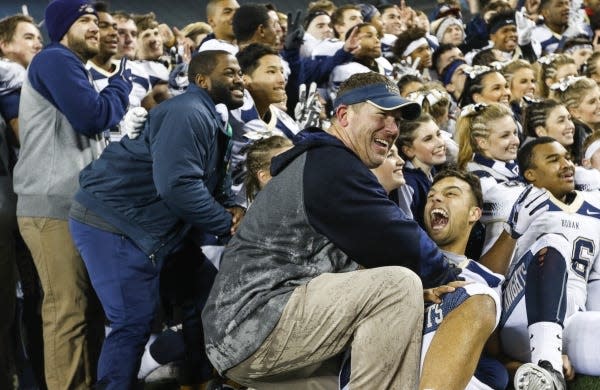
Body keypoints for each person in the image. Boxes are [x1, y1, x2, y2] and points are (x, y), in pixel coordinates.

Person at [202, 72, 462, 389]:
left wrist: (421, 292)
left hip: (243, 334)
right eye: (382, 115)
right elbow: (402, 241)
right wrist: (452, 276)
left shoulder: (321, 160)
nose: (392, 129)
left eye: (396, 121)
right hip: (253, 323)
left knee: (339, 381)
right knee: (398, 285)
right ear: (343, 115)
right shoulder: (331, 163)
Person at [67, 50, 245, 389]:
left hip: (150, 227)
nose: (239, 79)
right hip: (115, 222)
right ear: (201, 80)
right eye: (230, 72)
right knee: (132, 321)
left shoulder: (212, 116)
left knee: (198, 293)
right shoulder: (188, 111)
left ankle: (196, 380)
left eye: (240, 72)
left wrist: (234, 207)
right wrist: (226, 222)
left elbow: (213, 183)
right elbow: (177, 186)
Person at [12, 0, 132, 388]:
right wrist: (120, 86)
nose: (95, 27)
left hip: (73, 206)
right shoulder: (55, 60)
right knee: (68, 310)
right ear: (62, 28)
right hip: (52, 207)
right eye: (84, 20)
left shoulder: (70, 66)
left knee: (88, 311)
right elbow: (94, 116)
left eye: (96, 20)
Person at [501, 137, 600, 388]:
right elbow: (491, 273)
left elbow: (596, 281)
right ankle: (549, 365)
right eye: (553, 159)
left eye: (567, 157)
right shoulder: (517, 201)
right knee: (556, 243)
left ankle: (548, 374)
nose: (566, 164)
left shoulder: (594, 207)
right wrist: (512, 231)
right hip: (521, 317)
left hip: (571, 318)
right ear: (530, 174)